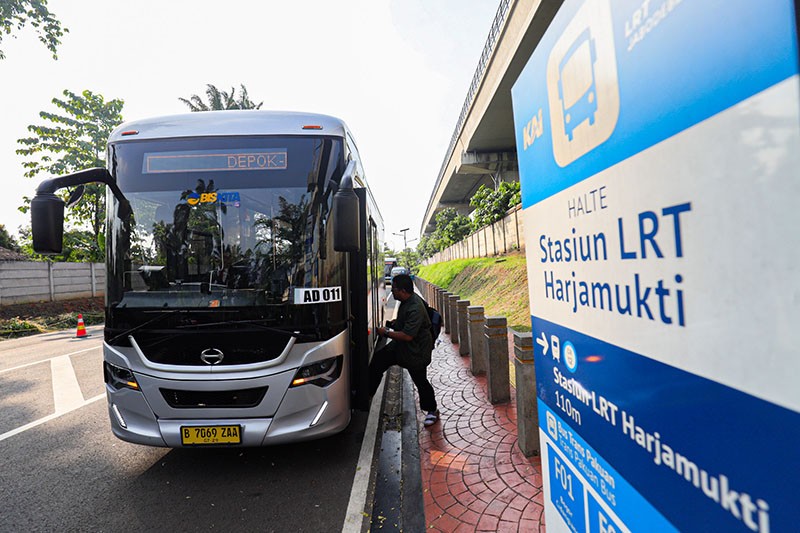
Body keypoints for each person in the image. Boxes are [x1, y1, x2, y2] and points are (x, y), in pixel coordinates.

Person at [369, 273, 439, 426]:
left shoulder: (415, 307)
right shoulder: (406, 300)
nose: (391, 291)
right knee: (379, 360)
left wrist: (386, 332)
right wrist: (394, 323)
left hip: (416, 350)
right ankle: (367, 394)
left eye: (393, 289)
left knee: (420, 380)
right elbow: (405, 324)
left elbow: (407, 336)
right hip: (402, 347)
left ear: (402, 290)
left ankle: (432, 409)